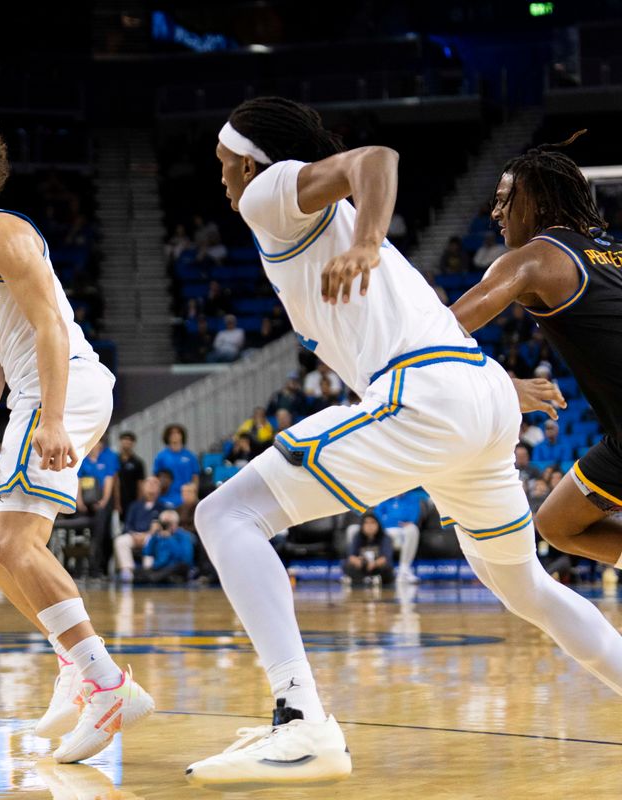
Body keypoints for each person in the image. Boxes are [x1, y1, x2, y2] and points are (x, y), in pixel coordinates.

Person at [187, 97, 622, 786]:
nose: (222, 178)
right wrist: (500, 381)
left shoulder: (268, 192)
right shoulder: (317, 217)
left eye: (223, 164)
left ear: (249, 160)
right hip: (473, 393)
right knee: (526, 587)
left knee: (225, 514)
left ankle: (299, 724)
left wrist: (363, 241)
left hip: (427, 396)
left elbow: (375, 160)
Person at [0, 112, 152, 764]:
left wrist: (47, 417)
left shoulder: (6, 234)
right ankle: (73, 663)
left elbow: (50, 325)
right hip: (30, 396)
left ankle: (106, 683)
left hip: (64, 387)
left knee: (18, 540)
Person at [449, 135, 622, 572]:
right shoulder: (614, 251)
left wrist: (497, 383)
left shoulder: (533, 259)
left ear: (539, 203)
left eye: (505, 200)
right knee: (558, 523)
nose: (495, 213)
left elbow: (441, 329)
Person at [77, 440, 118, 578]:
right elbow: (78, 480)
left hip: (100, 504)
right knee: (79, 535)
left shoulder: (106, 459)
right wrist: (79, 502)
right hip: (85, 503)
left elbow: (109, 480)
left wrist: (103, 501)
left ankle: (98, 568)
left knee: (100, 535)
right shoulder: (83, 461)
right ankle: (79, 568)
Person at [114, 476, 167, 583]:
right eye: (149, 483)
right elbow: (127, 525)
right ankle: (127, 571)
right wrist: (133, 534)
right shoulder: (134, 506)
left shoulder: (163, 507)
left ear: (159, 488)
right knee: (121, 541)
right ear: (143, 487)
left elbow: (163, 527)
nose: (151, 485)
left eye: (155, 483)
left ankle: (148, 571)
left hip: (150, 536)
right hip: (135, 535)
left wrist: (149, 533)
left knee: (152, 540)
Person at [134, 510, 195, 585]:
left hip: (176, 567)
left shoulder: (184, 536)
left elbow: (186, 559)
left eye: (169, 524)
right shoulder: (157, 536)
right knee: (136, 572)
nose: (166, 526)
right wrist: (152, 535)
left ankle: (156, 578)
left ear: (176, 523)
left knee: (179, 567)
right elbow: (147, 552)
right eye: (163, 523)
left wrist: (170, 539)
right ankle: (157, 578)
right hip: (159, 567)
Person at [153, 424, 200, 507]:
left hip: (185, 496)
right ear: (167, 436)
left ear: (182, 436)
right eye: (171, 433)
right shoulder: (161, 456)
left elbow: (195, 477)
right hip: (166, 497)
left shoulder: (190, 456)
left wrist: (194, 493)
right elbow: (156, 477)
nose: (175, 435)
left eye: (178, 433)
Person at [343, 513, 395, 585]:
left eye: (373, 523)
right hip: (362, 566)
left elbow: (386, 558)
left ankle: (373, 579)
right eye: (366, 523)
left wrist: (374, 563)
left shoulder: (385, 537)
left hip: (377, 567)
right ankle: (363, 579)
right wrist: (358, 561)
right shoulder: (357, 536)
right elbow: (351, 556)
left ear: (378, 525)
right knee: (346, 565)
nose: (369, 526)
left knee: (387, 568)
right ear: (362, 525)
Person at [115, 431, 146, 515]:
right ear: (120, 442)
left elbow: (140, 483)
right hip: (117, 499)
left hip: (132, 499)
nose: (127, 442)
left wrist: (139, 502)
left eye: (130, 440)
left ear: (133, 443)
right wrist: (116, 502)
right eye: (124, 439)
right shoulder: (114, 460)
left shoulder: (137, 462)